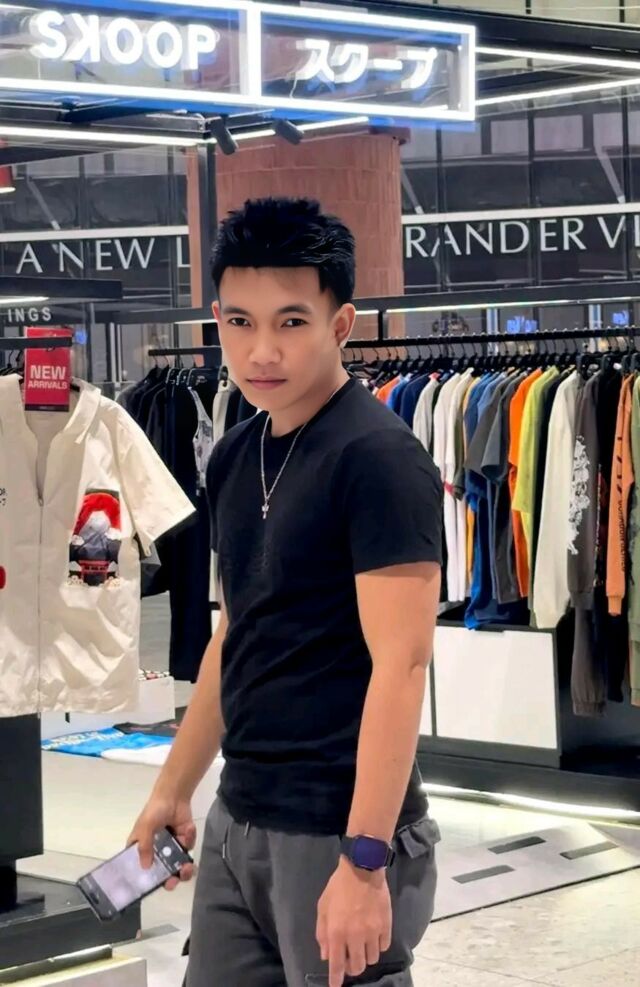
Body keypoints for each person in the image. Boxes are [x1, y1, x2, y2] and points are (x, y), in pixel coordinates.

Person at [129, 197, 443, 987]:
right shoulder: (237, 453)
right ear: (217, 321)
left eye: (292, 322)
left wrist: (365, 860)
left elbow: (403, 665)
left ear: (342, 325)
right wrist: (173, 788)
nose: (261, 350)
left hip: (338, 830)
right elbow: (237, 634)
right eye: (240, 322)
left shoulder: (378, 458)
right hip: (241, 816)